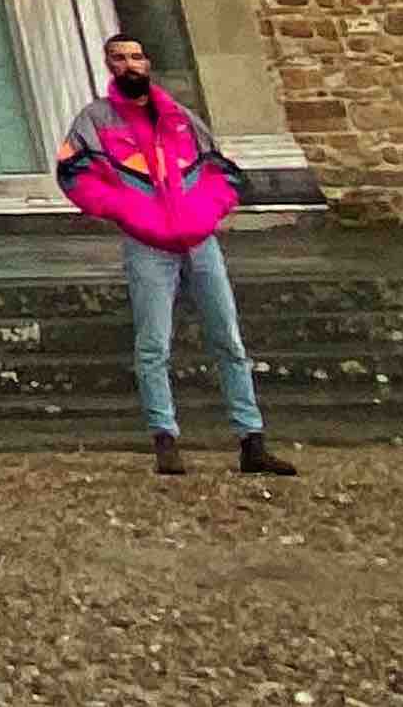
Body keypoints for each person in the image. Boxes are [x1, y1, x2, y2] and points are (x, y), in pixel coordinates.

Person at [57, 29, 297, 476]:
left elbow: (220, 169)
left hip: (200, 242)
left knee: (229, 339)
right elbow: (72, 172)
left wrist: (208, 213)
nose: (129, 64)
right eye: (119, 58)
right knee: (153, 345)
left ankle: (252, 440)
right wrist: (124, 209)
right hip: (147, 246)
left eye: (136, 56)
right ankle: (165, 440)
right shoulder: (94, 120)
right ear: (108, 66)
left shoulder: (181, 118)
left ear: (148, 62)